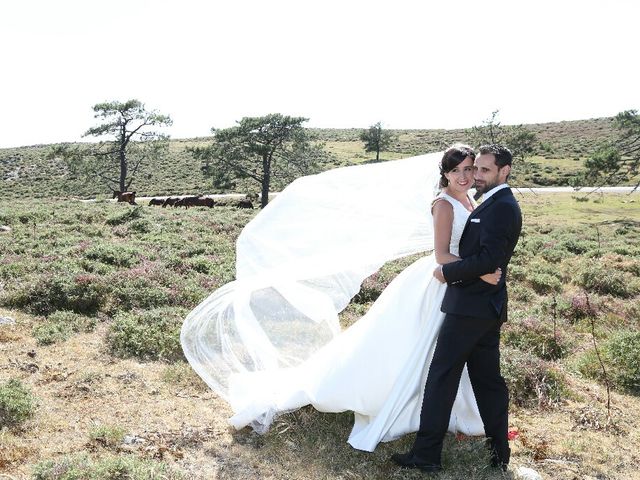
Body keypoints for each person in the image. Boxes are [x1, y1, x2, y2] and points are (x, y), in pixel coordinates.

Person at [181, 144, 506, 453]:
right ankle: (401, 403)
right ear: (445, 174)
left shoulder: (469, 201)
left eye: (469, 169)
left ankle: (450, 411)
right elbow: (441, 256)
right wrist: (479, 272)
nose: (464, 176)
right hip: (441, 281)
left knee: (441, 351)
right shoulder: (445, 204)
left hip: (458, 284)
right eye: (456, 171)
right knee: (419, 347)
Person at [391, 144, 522, 472]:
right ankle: (498, 456)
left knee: (441, 379)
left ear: (504, 171)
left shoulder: (502, 206)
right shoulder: (489, 201)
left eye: (482, 170)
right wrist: (479, 270)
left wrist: (446, 272)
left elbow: (489, 258)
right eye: (473, 168)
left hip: (470, 308)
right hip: (482, 307)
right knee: (488, 381)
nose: (475, 175)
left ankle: (426, 456)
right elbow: (484, 259)